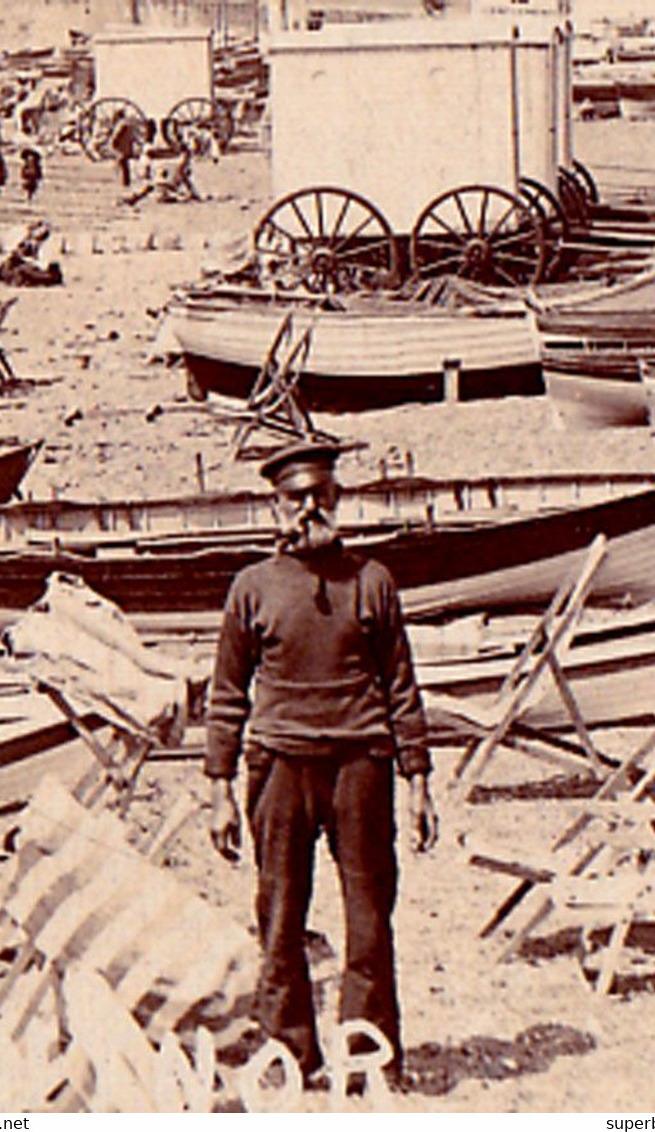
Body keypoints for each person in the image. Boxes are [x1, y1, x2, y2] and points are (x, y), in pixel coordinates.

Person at [205, 441, 438, 1088]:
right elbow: (225, 694)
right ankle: (290, 1055)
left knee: (368, 915)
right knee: (279, 916)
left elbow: (401, 689)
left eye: (321, 496)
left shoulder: (371, 581)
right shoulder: (250, 589)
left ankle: (369, 1058)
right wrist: (218, 789)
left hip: (359, 767)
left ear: (338, 500)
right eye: (294, 498)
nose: (309, 509)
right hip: (279, 768)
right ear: (272, 506)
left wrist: (418, 783)